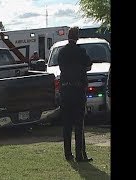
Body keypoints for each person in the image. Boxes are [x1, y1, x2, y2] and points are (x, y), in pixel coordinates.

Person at [58, 26, 93, 162]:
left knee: (67, 123)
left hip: (65, 90)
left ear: (68, 36)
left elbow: (61, 68)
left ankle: (68, 154)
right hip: (78, 90)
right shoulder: (80, 51)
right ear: (77, 37)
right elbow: (89, 66)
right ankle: (80, 154)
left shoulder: (62, 52)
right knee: (79, 123)